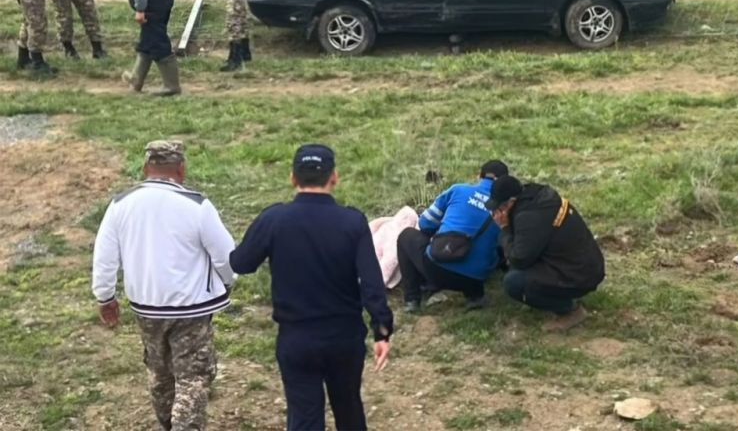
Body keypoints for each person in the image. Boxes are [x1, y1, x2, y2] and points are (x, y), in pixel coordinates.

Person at [230, 144, 393, 431]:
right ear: (335, 177)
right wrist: (382, 330)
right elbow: (371, 282)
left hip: (297, 338)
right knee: (349, 408)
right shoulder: (352, 221)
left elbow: (241, 263)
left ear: (293, 178)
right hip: (344, 337)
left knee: (304, 415)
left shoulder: (274, 219)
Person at [92, 140, 236, 431]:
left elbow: (105, 257)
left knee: (159, 373)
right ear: (181, 169)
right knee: (192, 377)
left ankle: (167, 424)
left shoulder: (120, 204)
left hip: (146, 306)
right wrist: (229, 281)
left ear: (146, 168)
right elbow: (226, 256)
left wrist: (105, 297)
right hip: (192, 308)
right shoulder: (197, 205)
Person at [487, 175, 605, 332]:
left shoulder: (529, 217)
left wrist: (505, 229)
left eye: (500, 208)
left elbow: (518, 259)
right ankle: (554, 294)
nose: (497, 212)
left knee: (514, 282)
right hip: (585, 265)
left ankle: (570, 311)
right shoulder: (538, 198)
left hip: (579, 274)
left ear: (512, 202)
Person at [397, 160, 508, 314]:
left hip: (437, 268)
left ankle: (412, 299)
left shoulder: (458, 190)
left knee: (406, 236)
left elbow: (425, 224)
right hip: (477, 278)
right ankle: (475, 297)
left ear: (479, 176)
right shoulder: (505, 209)